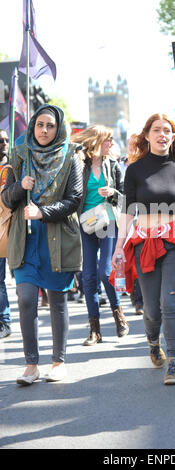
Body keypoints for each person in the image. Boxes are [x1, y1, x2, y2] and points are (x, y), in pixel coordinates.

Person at [111, 113, 175, 385]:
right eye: (157, 130)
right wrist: (119, 245)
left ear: (173, 136)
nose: (163, 134)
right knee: (152, 309)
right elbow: (127, 210)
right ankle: (153, 342)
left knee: (170, 303)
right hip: (144, 243)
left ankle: (174, 362)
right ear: (147, 135)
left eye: (168, 130)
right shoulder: (135, 169)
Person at [2, 104, 83, 385]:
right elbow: (6, 199)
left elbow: (75, 199)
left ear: (58, 128)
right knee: (25, 299)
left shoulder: (71, 156)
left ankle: (58, 362)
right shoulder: (20, 155)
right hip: (25, 238)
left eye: (50, 125)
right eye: (40, 125)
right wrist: (19, 187)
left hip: (58, 238)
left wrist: (43, 212)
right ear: (33, 126)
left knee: (57, 300)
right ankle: (31, 364)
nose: (44, 130)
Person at [71, 125, 129, 346]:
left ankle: (119, 316)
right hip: (86, 224)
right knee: (88, 277)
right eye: (108, 139)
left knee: (105, 272)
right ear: (96, 141)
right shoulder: (78, 164)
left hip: (108, 223)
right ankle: (94, 330)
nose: (111, 143)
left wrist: (114, 193)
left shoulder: (113, 165)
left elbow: (125, 196)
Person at [0, 129, 11, 339]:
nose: (3, 143)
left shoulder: (14, 166)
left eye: (6, 140)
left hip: (14, 226)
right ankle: (4, 320)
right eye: (0, 140)